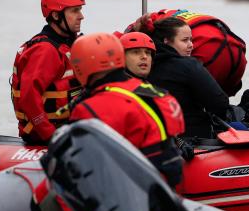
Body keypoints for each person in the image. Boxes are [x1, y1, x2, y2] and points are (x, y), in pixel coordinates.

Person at [69, 33, 186, 185]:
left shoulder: (88, 108)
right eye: (136, 52)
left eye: (147, 53)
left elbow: (80, 163)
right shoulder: (162, 95)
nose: (144, 57)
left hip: (126, 190)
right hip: (167, 188)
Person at [11, 0, 85, 145]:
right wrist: (51, 136)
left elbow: (106, 50)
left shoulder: (69, 43)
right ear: (56, 16)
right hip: (46, 134)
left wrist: (134, 29)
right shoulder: (45, 51)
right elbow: (29, 97)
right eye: (74, 11)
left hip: (69, 128)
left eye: (80, 10)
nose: (81, 16)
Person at [147, 17, 230, 139]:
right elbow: (220, 103)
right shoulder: (189, 65)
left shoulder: (145, 66)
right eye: (185, 40)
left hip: (156, 137)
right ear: (166, 41)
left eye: (191, 40)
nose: (191, 45)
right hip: (193, 138)